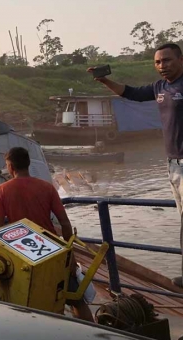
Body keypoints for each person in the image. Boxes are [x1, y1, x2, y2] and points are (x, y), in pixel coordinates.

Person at [87, 43, 183, 287]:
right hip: (173, 164)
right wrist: (105, 81)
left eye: (168, 60)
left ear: (181, 60)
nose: (163, 66)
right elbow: (131, 93)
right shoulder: (159, 87)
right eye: (158, 62)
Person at [0, 147, 93, 322]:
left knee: (29, 304)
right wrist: (69, 255)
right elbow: (65, 224)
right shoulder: (47, 187)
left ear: (10, 166)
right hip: (52, 250)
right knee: (76, 300)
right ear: (28, 164)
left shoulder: (1, 191)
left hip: (22, 254)